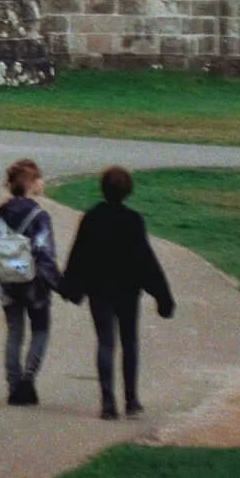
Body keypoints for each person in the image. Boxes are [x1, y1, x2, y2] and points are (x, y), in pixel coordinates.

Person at [59, 165, 176, 420]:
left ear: (102, 188)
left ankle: (108, 403)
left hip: (99, 290)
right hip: (127, 290)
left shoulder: (92, 217)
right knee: (130, 342)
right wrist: (162, 295)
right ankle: (132, 400)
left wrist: (69, 285)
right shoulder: (133, 220)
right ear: (128, 191)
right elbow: (146, 260)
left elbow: (80, 255)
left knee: (105, 342)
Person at [0, 158, 63, 406]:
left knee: (14, 333)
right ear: (32, 184)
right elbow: (44, 252)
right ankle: (28, 380)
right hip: (34, 284)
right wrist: (57, 283)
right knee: (40, 330)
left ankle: (13, 384)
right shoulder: (40, 216)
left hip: (8, 278)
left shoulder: (0, 213)